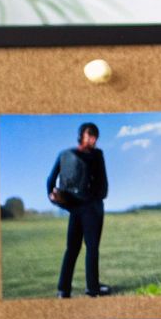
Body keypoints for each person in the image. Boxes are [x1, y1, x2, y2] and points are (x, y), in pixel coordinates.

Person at [47, 121, 111, 298]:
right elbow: (50, 181)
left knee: (82, 248)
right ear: (81, 135)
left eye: (95, 136)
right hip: (85, 208)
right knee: (81, 248)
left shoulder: (78, 155)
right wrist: (55, 197)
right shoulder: (79, 155)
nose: (93, 139)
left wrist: (61, 199)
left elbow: (103, 187)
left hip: (83, 208)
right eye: (89, 135)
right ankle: (74, 289)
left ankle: (79, 289)